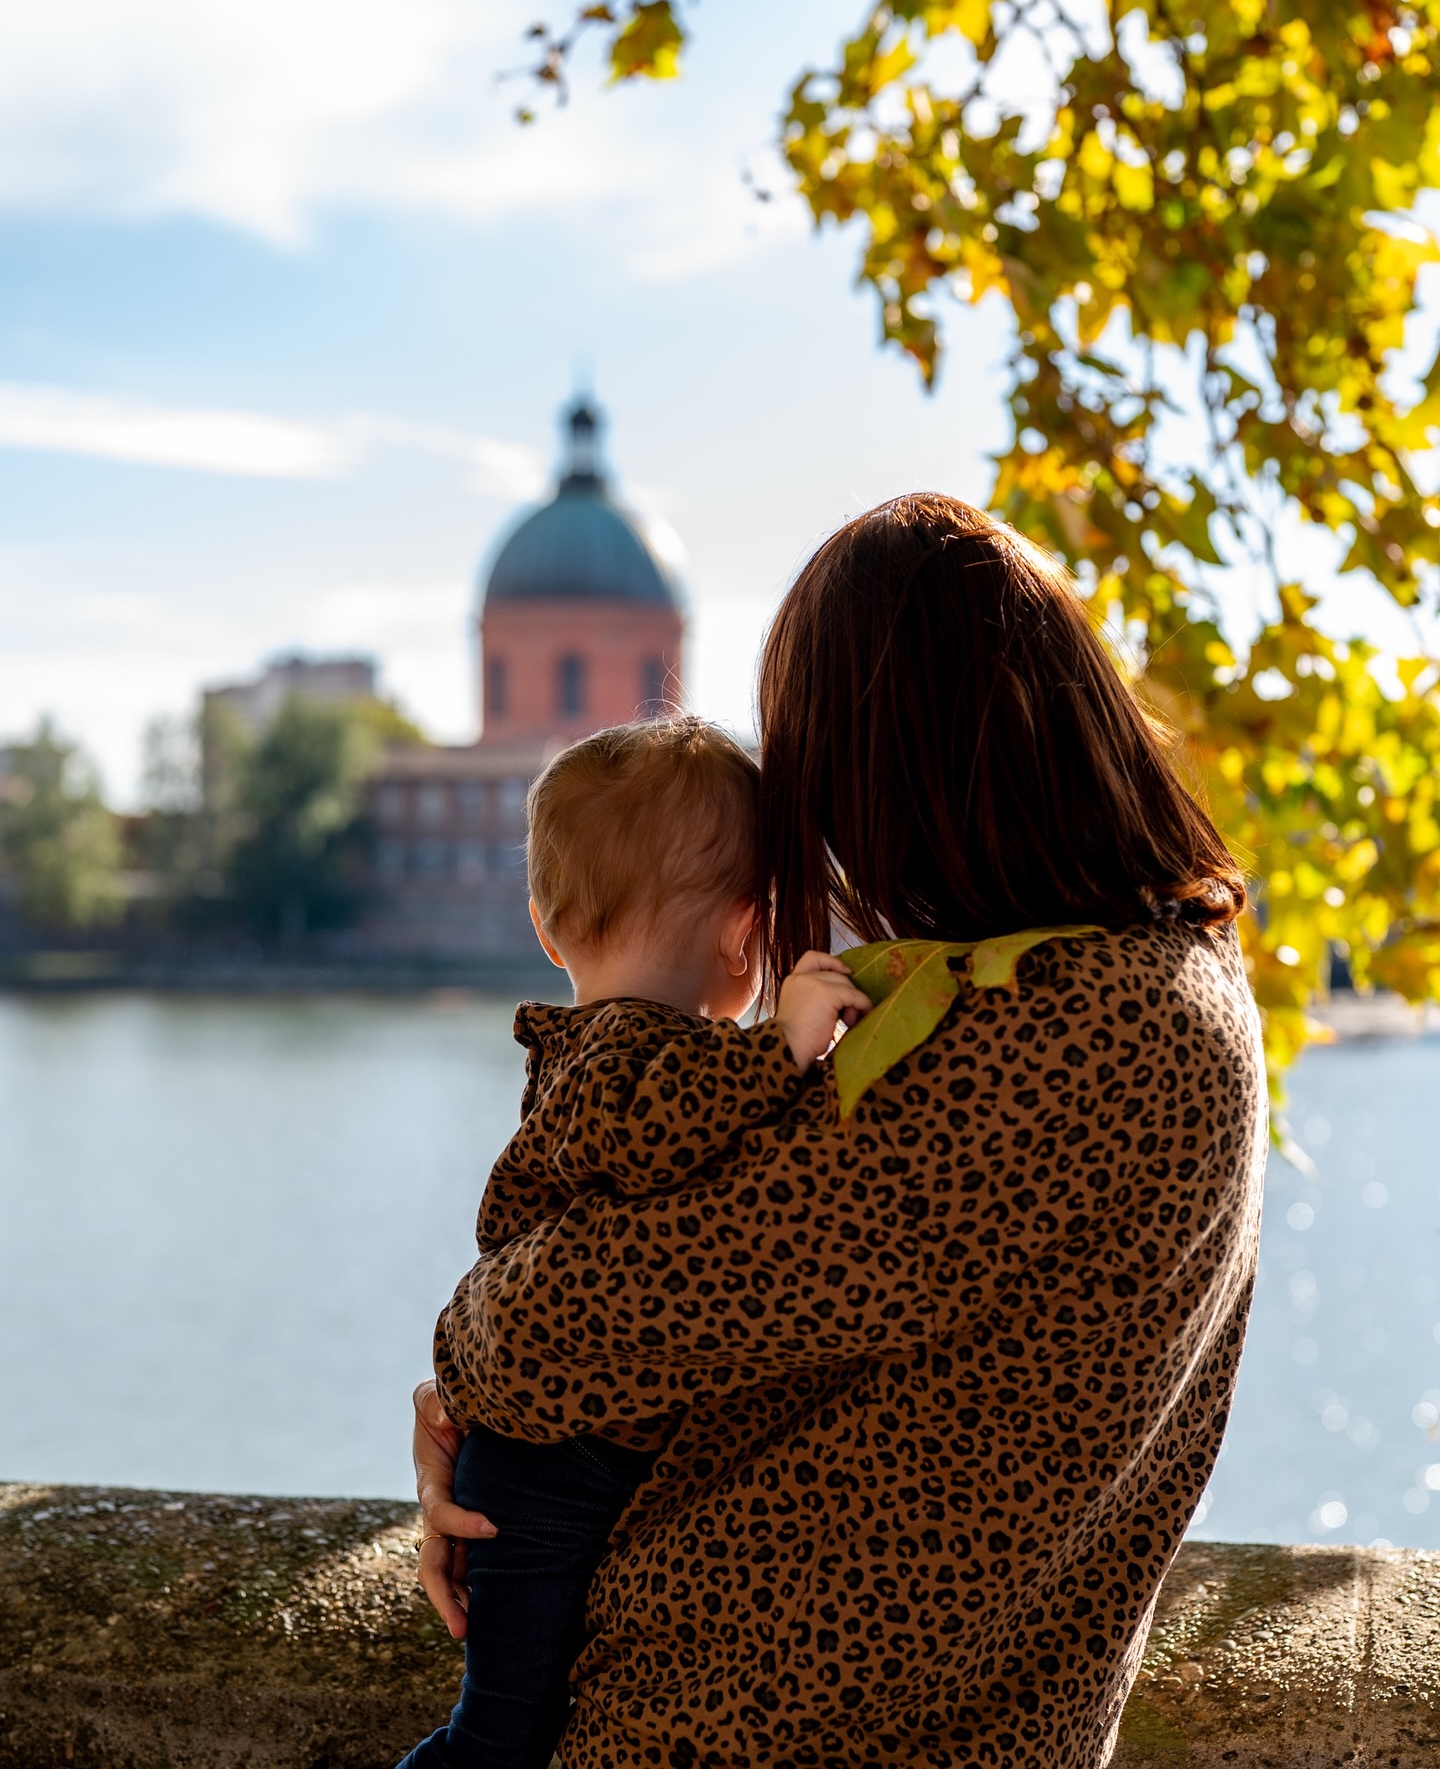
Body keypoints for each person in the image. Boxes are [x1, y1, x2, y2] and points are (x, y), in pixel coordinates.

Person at [413, 493, 1268, 1769]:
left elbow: (576, 1323)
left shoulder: (1078, 1034)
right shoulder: (1126, 986)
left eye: (816, 775)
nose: (812, 837)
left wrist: (467, 1374)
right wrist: (481, 1410)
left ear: (901, 762)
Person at [398, 717, 872, 1769]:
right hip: (546, 1477)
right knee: (499, 1737)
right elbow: (661, 1125)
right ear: (745, 934)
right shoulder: (634, 1053)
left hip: (541, 1458)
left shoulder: (587, 1052)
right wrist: (783, 1049)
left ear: (546, 929)